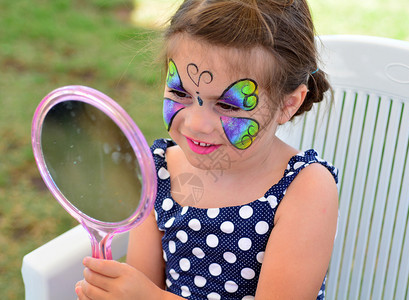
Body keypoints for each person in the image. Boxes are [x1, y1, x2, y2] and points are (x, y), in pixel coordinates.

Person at [75, 0, 339, 299]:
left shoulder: (305, 188)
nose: (198, 124)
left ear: (288, 104)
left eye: (227, 104)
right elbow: (143, 282)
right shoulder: (158, 171)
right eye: (179, 92)